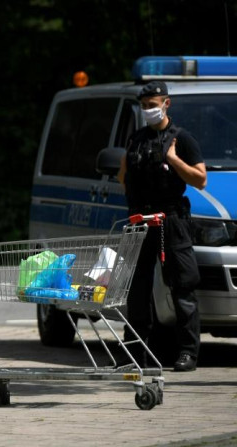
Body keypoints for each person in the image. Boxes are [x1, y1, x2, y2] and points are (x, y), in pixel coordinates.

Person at [117, 81, 206, 372]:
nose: (148, 110)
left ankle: (187, 353)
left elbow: (200, 179)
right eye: (144, 106)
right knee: (136, 290)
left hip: (171, 220)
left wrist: (172, 159)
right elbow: (122, 176)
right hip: (139, 222)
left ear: (166, 103)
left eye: (153, 104)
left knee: (182, 288)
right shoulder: (136, 139)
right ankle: (134, 353)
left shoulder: (181, 138)